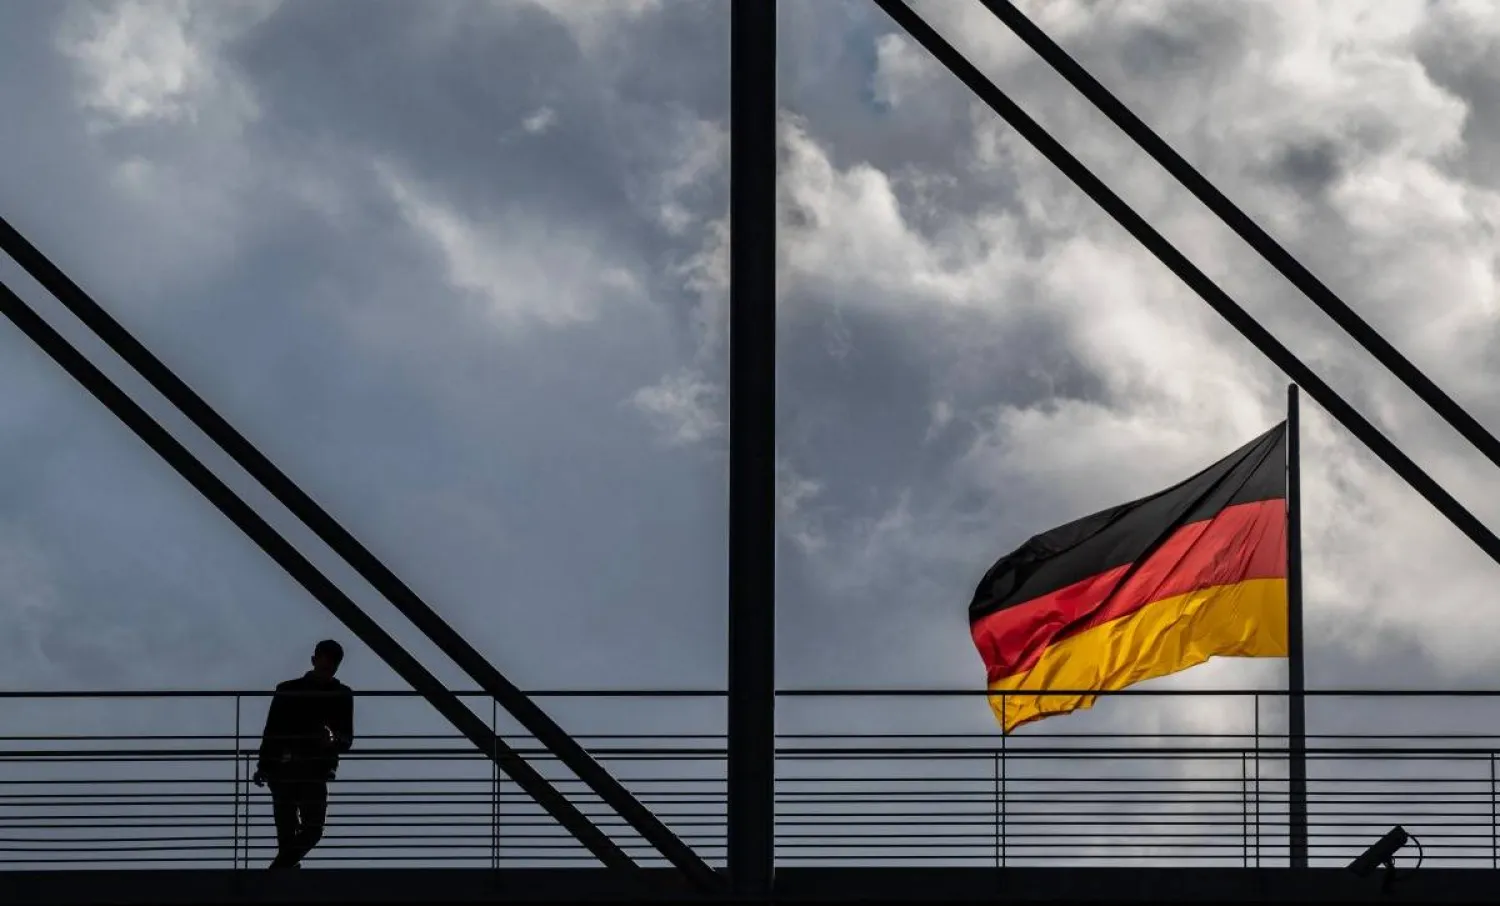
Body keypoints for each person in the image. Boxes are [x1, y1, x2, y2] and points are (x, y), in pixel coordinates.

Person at [252, 639, 354, 869]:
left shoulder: (338, 694)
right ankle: (282, 871)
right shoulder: (290, 690)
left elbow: (346, 738)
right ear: (314, 660)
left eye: (331, 665)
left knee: (309, 830)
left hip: (308, 769)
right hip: (290, 768)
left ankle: (279, 871)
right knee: (300, 831)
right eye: (325, 664)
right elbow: (272, 731)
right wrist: (264, 765)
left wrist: (333, 740)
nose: (328, 669)